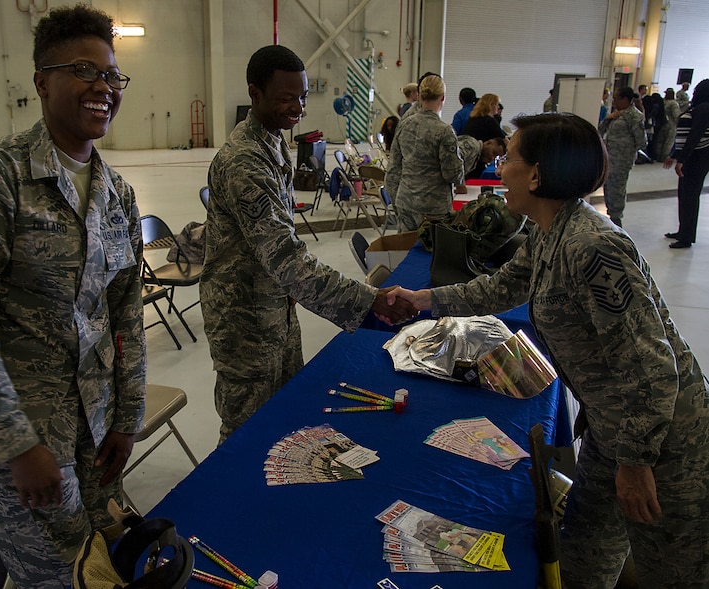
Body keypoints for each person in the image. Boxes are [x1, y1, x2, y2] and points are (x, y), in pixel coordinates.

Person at [386, 112, 709, 589]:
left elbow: (652, 368)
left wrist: (638, 463)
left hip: (664, 443)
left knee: (671, 571)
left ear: (536, 173)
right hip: (612, 428)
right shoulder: (548, 229)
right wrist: (426, 300)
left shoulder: (593, 247)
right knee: (582, 554)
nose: (499, 170)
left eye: (510, 159)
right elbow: (501, 287)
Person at [0, 5, 144, 588]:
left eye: (112, 74)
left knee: (101, 564)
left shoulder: (116, 194)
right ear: (42, 81)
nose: (102, 87)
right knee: (51, 576)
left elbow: (125, 313)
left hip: (97, 436)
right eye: (82, 69)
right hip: (28, 444)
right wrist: (17, 447)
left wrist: (129, 415)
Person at [200, 45, 417, 443]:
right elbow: (287, 260)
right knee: (246, 433)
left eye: (302, 96)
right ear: (255, 94)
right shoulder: (244, 162)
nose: (298, 107)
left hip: (275, 307)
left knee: (285, 413)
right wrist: (368, 301)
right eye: (286, 98)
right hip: (244, 319)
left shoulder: (271, 141)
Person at [384, 74, 464, 230]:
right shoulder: (444, 131)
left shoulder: (404, 124)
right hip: (433, 206)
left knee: (407, 250)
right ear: (443, 97)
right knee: (432, 252)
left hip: (405, 200)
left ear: (419, 96)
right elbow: (453, 174)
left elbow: (394, 166)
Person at [663, 78, 709, 249]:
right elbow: (685, 136)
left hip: (697, 158)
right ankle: (683, 231)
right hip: (692, 156)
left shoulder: (704, 108)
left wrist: (682, 159)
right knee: (684, 194)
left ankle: (687, 237)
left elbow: (695, 136)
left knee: (689, 196)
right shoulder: (699, 107)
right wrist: (674, 155)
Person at [598, 86, 646, 226]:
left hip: (621, 160)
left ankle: (616, 218)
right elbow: (600, 132)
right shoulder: (617, 114)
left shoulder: (634, 116)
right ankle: (611, 214)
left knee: (617, 189)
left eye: (617, 99)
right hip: (609, 158)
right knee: (608, 187)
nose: (614, 102)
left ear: (625, 99)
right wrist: (607, 119)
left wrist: (626, 151)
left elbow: (641, 141)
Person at [654, 88, 681, 163]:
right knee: (669, 141)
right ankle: (664, 157)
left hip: (662, 123)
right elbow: (676, 115)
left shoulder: (663, 101)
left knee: (660, 141)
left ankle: (657, 156)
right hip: (671, 124)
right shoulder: (674, 103)